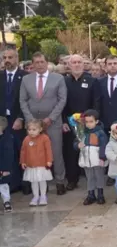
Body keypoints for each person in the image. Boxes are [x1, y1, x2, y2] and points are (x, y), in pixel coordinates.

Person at [19, 52, 68, 195]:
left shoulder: (58, 78)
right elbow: (22, 101)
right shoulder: (26, 79)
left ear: (47, 63)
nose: (39, 65)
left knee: (56, 152)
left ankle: (60, 181)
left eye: (42, 62)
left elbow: (62, 100)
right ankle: (41, 183)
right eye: (36, 62)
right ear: (32, 65)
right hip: (33, 125)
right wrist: (30, 120)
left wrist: (50, 118)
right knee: (35, 153)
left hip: (52, 122)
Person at [62, 55, 98, 191]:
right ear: (69, 65)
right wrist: (64, 121)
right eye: (74, 62)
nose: (76, 65)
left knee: (90, 150)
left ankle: (92, 179)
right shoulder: (64, 81)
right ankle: (72, 179)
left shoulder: (92, 81)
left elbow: (96, 101)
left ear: (83, 65)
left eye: (79, 62)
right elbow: (61, 103)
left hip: (88, 122)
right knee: (70, 152)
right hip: (70, 123)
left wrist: (93, 119)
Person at [0, 48, 27, 194]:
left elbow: (27, 99)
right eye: (5, 58)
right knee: (8, 152)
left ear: (16, 58)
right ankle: (12, 183)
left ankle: (25, 183)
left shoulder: (25, 76)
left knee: (21, 150)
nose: (7, 60)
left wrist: (21, 117)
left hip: (19, 119)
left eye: (10, 57)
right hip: (3, 121)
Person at [74, 110, 108, 205]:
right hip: (86, 159)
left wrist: (102, 157)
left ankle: (100, 195)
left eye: (91, 121)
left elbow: (104, 145)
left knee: (99, 176)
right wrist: (77, 145)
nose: (88, 124)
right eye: (86, 122)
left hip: (97, 159)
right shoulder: (82, 132)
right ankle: (91, 195)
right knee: (89, 177)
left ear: (96, 121)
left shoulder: (100, 133)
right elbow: (75, 142)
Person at [20, 119, 53, 206]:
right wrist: (23, 161)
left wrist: (49, 160)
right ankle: (35, 196)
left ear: (40, 129)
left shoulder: (45, 138)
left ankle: (43, 196)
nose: (31, 132)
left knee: (42, 180)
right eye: (29, 130)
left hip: (42, 164)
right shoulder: (26, 139)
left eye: (34, 130)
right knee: (33, 181)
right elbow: (23, 151)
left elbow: (48, 150)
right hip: (31, 165)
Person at [0, 117, 13, 212]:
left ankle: (6, 201)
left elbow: (9, 156)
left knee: (3, 185)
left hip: (3, 168)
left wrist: (6, 170)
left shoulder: (6, 140)